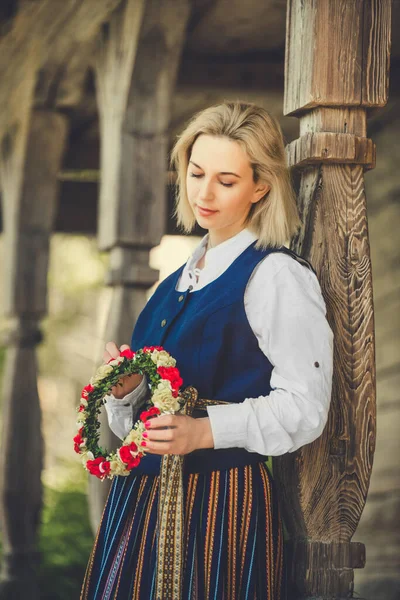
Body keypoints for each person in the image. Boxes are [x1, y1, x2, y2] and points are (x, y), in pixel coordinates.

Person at [80, 101, 334, 600]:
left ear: (260, 187)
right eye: (196, 173)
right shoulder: (175, 281)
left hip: (219, 504)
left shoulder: (275, 275)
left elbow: (307, 407)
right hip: (141, 502)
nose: (204, 193)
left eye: (226, 180)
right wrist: (128, 394)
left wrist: (204, 431)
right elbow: (143, 422)